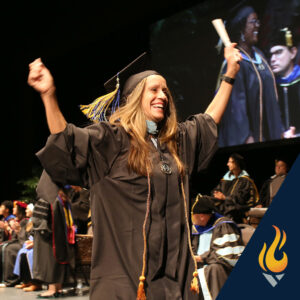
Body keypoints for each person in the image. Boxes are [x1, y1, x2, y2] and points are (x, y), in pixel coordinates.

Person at [27, 43, 241, 300]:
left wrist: (230, 73)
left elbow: (208, 120)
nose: (162, 95)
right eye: (154, 89)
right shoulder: (112, 140)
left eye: (165, 91)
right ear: (135, 96)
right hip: (127, 279)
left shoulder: (176, 142)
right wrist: (48, 95)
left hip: (175, 278)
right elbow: (67, 142)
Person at [216, 6, 283, 147]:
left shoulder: (260, 56)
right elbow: (235, 109)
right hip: (248, 141)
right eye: (253, 22)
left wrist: (280, 131)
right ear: (241, 28)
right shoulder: (235, 62)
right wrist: (247, 140)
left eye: (258, 21)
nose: (258, 25)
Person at [191, 194, 244, 300]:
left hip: (221, 267)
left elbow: (228, 255)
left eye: (193, 215)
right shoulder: (198, 227)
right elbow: (193, 248)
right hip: (201, 264)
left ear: (201, 216)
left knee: (212, 270)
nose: (192, 218)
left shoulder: (224, 225)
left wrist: (201, 258)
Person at [211, 153, 259, 224]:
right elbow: (216, 190)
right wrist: (216, 194)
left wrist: (225, 198)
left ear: (237, 164)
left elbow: (240, 199)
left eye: (230, 162)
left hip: (237, 212)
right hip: (224, 209)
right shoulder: (226, 179)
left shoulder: (245, 181)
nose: (228, 164)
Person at [269, 27, 300, 137]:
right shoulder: (270, 88)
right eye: (271, 54)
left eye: (278, 52)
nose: (272, 59)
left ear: (293, 52)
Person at [13, 203, 42, 292]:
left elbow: (40, 233)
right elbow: (27, 235)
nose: (25, 211)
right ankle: (27, 281)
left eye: (27, 209)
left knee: (29, 253)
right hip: (32, 242)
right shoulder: (30, 221)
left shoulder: (38, 220)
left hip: (39, 244)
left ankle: (36, 283)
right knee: (22, 253)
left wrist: (34, 242)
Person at [0, 201, 28, 287]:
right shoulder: (18, 220)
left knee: (8, 249)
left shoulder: (24, 221)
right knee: (2, 247)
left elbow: (23, 237)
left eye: (15, 208)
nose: (13, 209)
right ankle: (3, 278)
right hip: (17, 241)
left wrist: (8, 228)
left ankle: (11, 279)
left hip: (23, 242)